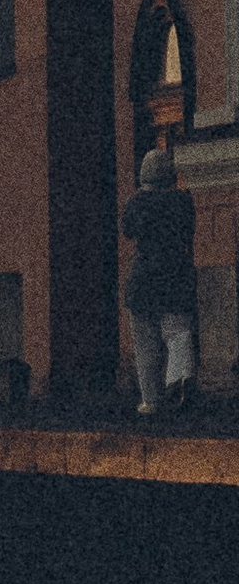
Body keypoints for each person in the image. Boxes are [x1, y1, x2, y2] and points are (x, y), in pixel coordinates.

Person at [122, 142, 198, 417]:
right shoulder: (183, 201)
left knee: (146, 345)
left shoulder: (137, 202)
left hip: (144, 278)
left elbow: (127, 230)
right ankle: (178, 379)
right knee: (178, 333)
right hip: (177, 274)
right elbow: (189, 231)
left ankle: (151, 400)